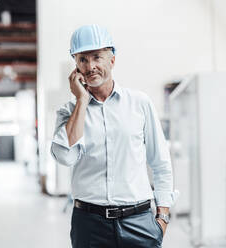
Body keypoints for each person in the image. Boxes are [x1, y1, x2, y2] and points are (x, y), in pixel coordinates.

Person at [50, 24, 177, 248]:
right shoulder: (69, 112)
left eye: (97, 57)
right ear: (76, 66)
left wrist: (162, 217)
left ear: (112, 60)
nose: (90, 66)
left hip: (138, 222)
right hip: (89, 224)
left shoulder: (140, 103)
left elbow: (161, 163)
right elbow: (65, 157)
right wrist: (81, 101)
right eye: (82, 59)